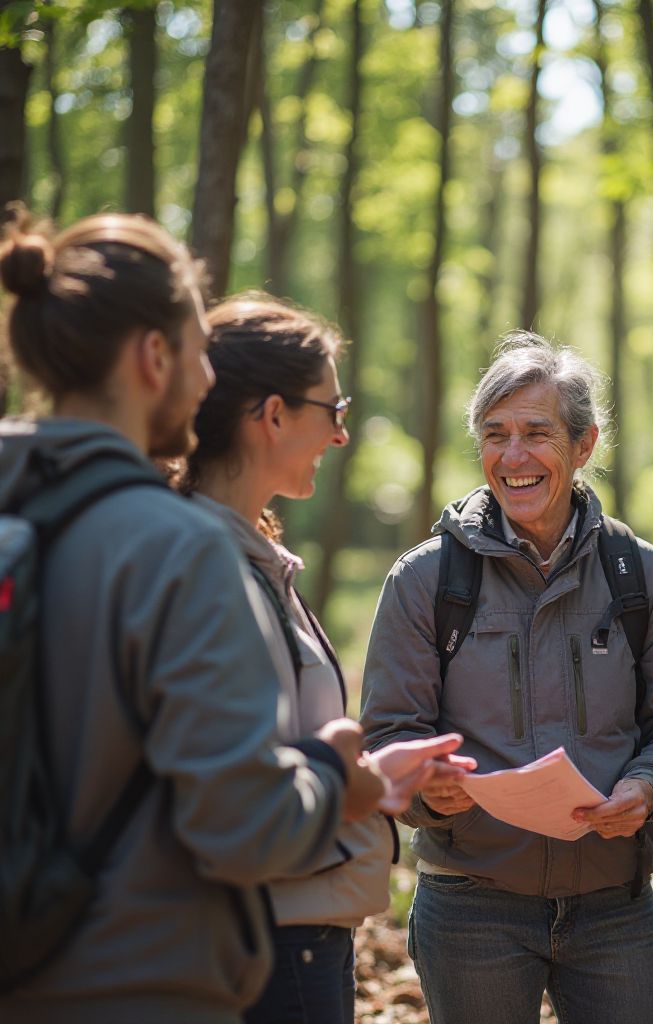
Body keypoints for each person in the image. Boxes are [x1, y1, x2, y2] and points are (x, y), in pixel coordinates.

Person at [0, 209, 458, 1024]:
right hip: (138, 982)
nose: (208, 380)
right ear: (153, 358)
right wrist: (334, 777)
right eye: (195, 351)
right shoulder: (179, 550)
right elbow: (239, 825)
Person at [359, 331, 653, 1024]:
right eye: (495, 435)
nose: (513, 457)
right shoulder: (425, 580)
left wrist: (649, 787)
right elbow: (389, 733)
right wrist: (429, 793)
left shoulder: (641, 576)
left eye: (536, 433)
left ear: (583, 447)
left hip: (615, 908)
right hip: (471, 906)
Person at [177, 293, 407, 1024]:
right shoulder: (202, 566)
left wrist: (371, 780)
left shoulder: (255, 557)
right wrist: (341, 771)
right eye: (333, 410)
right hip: (264, 944)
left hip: (298, 928)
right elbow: (215, 791)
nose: (342, 435)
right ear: (273, 414)